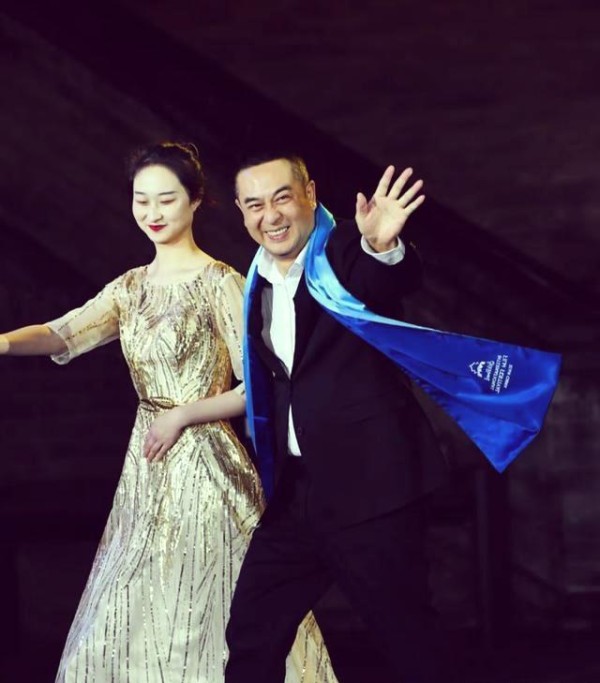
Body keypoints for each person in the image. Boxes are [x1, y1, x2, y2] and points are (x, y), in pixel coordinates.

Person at [0, 143, 337, 683]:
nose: (153, 213)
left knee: (210, 602)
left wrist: (183, 415)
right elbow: (62, 333)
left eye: (166, 199)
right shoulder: (130, 287)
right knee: (128, 609)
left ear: (196, 200)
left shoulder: (220, 282)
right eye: (142, 201)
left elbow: (260, 387)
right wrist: (3, 343)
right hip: (148, 469)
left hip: (208, 466)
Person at [225, 155, 452, 683]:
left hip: (372, 490)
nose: (270, 216)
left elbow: (385, 279)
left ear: (309, 193)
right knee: (252, 634)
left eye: (282, 197)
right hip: (297, 495)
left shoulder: (344, 249)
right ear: (241, 211)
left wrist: (382, 247)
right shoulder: (257, 280)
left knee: (409, 642)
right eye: (255, 205)